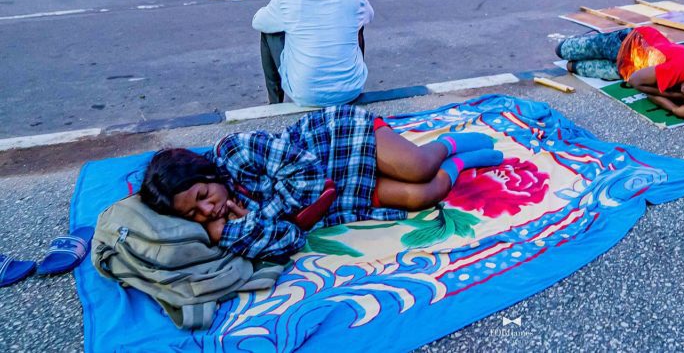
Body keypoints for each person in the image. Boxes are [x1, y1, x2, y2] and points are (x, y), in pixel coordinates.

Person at [139, 106, 504, 261]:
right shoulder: (231, 225)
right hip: (339, 195)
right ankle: (463, 163)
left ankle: (453, 145)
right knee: (426, 195)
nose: (208, 210)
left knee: (418, 167)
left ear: (206, 174)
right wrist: (239, 230)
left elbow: (308, 174)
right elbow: (291, 238)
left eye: (202, 196)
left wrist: (261, 213)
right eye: (195, 214)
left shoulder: (234, 151)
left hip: (335, 140)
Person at [253, 0, 373, 107]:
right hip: (351, 91)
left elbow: (258, 21)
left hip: (306, 95)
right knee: (358, 20)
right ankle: (348, 75)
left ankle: (275, 103)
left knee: (269, 30)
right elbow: (369, 16)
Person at [557, 26, 684, 121]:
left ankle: (590, 43)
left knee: (572, 67)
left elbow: (649, 92)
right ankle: (592, 37)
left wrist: (681, 108)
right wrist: (674, 103)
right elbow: (637, 83)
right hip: (628, 44)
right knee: (562, 50)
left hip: (631, 68)